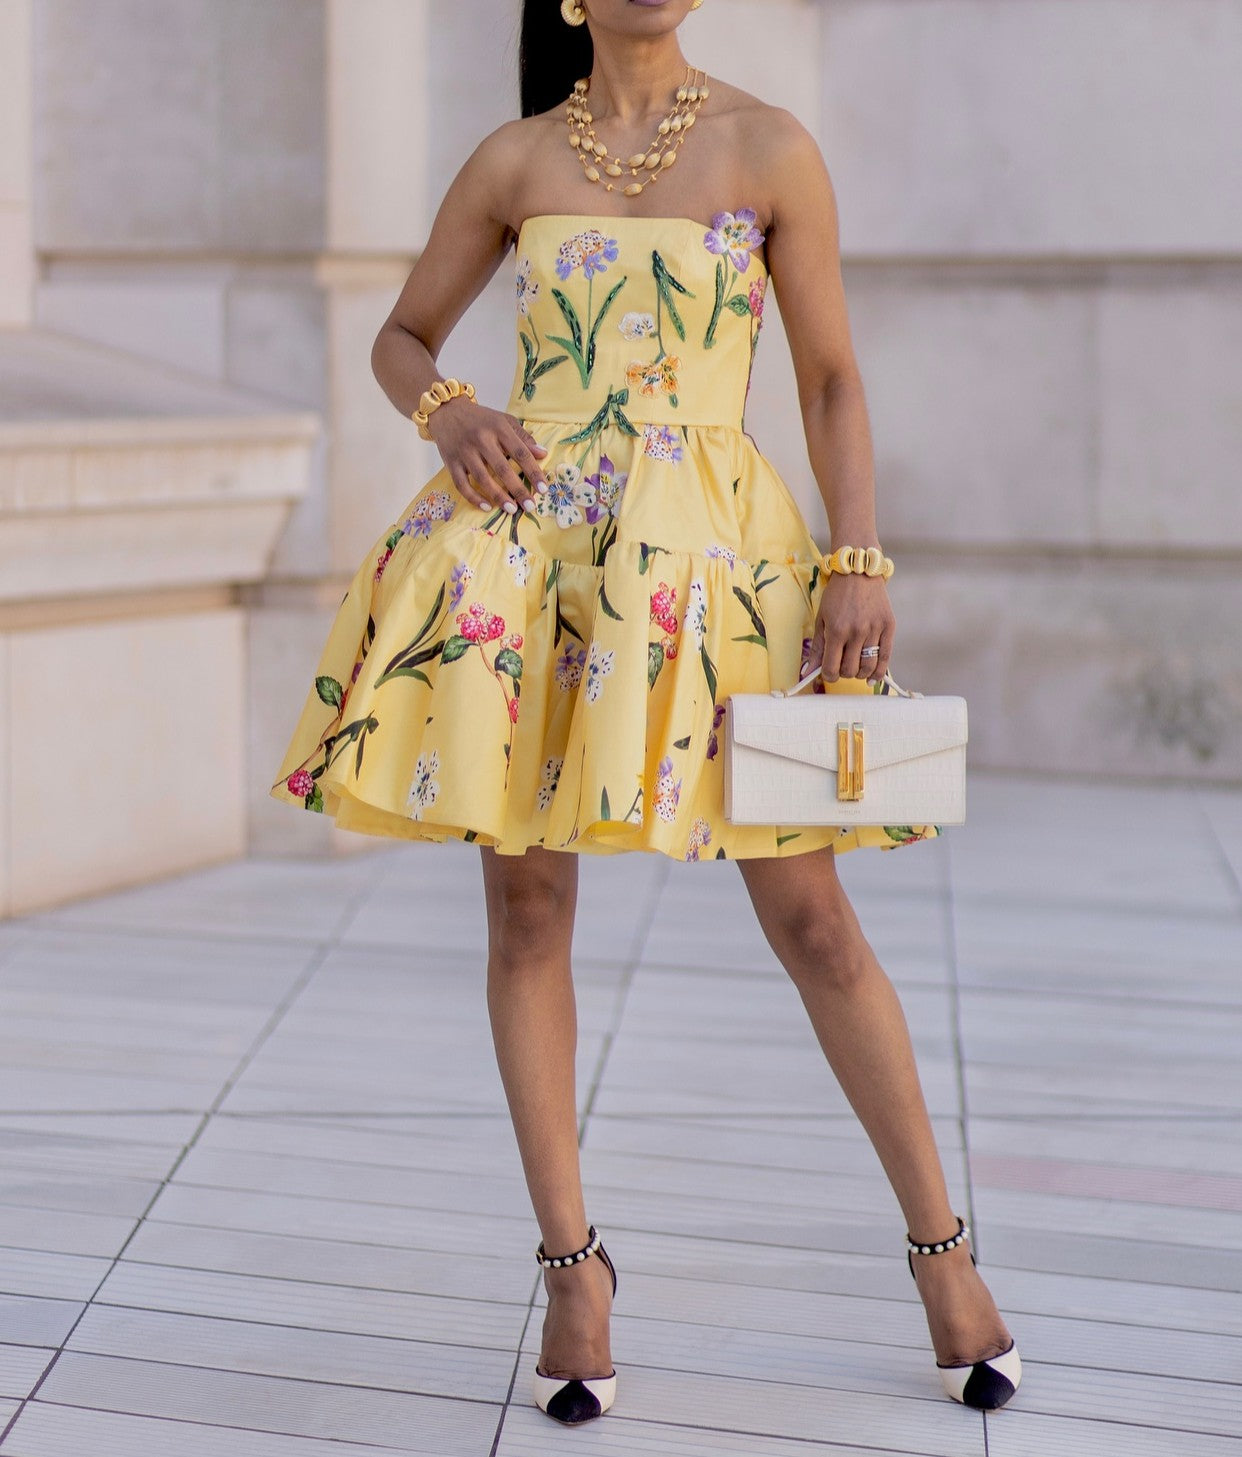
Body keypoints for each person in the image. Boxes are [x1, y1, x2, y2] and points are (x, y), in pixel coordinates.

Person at [270, 0, 1020, 1428]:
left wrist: (855, 558)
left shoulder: (767, 146)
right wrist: (448, 417)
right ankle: (572, 1265)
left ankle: (940, 1247)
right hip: (535, 564)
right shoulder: (510, 160)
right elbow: (401, 336)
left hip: (719, 566)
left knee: (811, 916)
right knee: (527, 912)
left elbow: (829, 375)